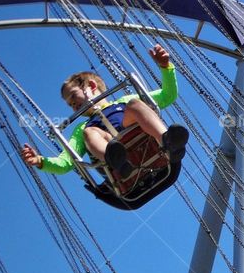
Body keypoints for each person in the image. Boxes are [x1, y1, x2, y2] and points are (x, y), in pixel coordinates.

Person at [20, 44, 188, 179]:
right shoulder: (84, 128)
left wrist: (166, 67)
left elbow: (168, 95)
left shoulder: (124, 102)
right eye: (70, 104)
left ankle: (167, 141)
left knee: (135, 103)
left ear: (92, 86)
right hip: (114, 152)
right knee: (89, 132)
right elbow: (65, 163)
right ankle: (115, 159)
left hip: (141, 136)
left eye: (74, 97)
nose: (73, 105)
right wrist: (41, 161)